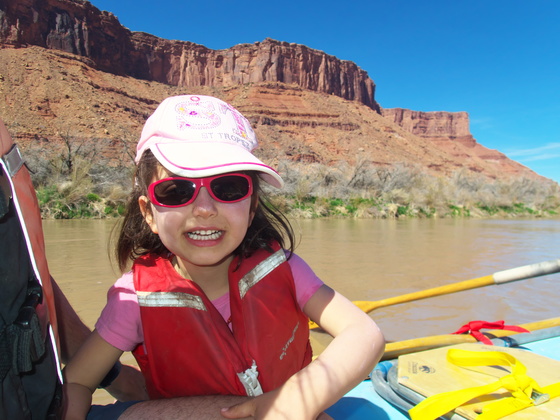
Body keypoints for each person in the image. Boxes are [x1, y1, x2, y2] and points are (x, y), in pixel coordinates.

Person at [62, 95, 385, 419]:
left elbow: (363, 333)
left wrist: (296, 401)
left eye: (228, 188)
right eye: (176, 191)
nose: (204, 209)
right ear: (149, 213)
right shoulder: (133, 300)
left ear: (252, 205)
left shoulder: (286, 269)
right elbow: (77, 380)